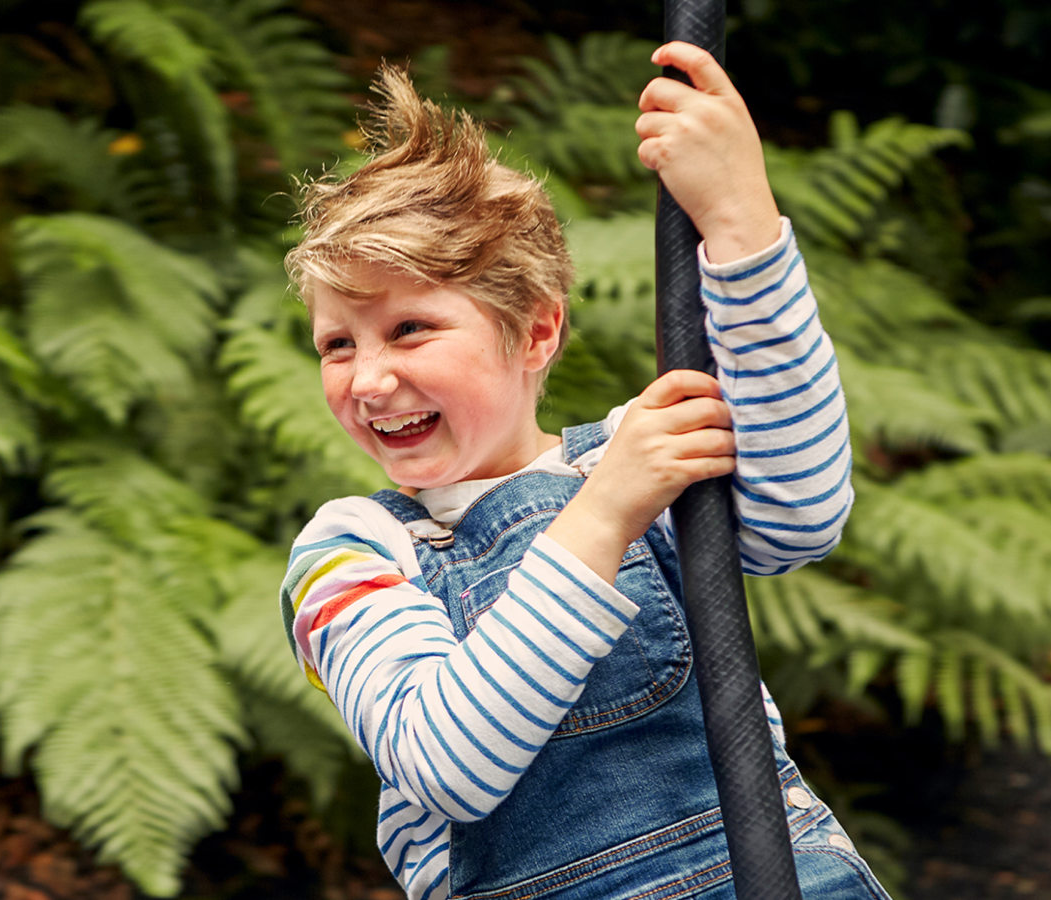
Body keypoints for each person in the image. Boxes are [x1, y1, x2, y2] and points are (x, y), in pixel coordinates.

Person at [280, 41, 890, 900]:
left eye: (409, 329)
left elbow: (799, 514)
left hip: (774, 873)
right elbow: (443, 761)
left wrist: (743, 226)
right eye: (337, 344)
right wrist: (603, 517)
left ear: (534, 332)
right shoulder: (352, 553)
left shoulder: (630, 457)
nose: (368, 377)